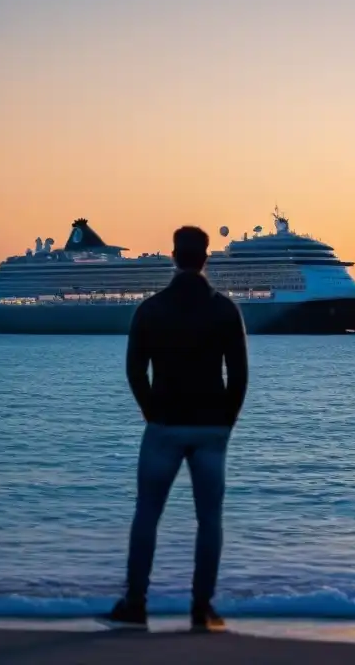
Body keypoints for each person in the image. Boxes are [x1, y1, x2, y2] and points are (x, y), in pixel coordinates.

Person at [99, 225, 249, 632]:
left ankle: (136, 603)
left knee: (146, 514)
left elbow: (134, 370)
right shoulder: (225, 310)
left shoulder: (150, 309)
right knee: (209, 520)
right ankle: (202, 609)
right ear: (206, 257)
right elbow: (239, 375)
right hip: (210, 430)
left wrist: (151, 412)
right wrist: (225, 423)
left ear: (173, 255)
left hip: (163, 425)